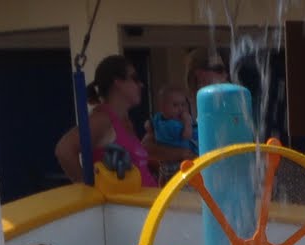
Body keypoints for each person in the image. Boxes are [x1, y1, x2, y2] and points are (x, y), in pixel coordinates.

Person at [53, 56, 155, 188]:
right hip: (125, 207)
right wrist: (87, 189)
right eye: (134, 78)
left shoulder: (125, 121)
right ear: (118, 82)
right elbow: (64, 150)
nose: (141, 84)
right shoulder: (103, 120)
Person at [149, 85, 198, 158]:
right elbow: (187, 136)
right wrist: (188, 122)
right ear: (163, 107)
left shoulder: (158, 117)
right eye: (175, 105)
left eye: (183, 104)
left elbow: (149, 124)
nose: (180, 109)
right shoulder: (173, 125)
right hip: (180, 161)